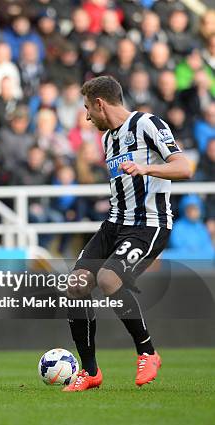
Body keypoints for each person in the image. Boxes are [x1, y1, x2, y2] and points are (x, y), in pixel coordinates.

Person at [62, 76, 191, 392]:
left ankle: (148, 351)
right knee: (76, 286)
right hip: (114, 224)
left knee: (108, 279)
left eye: (88, 110)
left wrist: (148, 168)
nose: (88, 117)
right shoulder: (107, 140)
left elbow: (184, 166)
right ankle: (90, 372)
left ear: (100, 104)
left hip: (149, 223)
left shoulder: (147, 124)